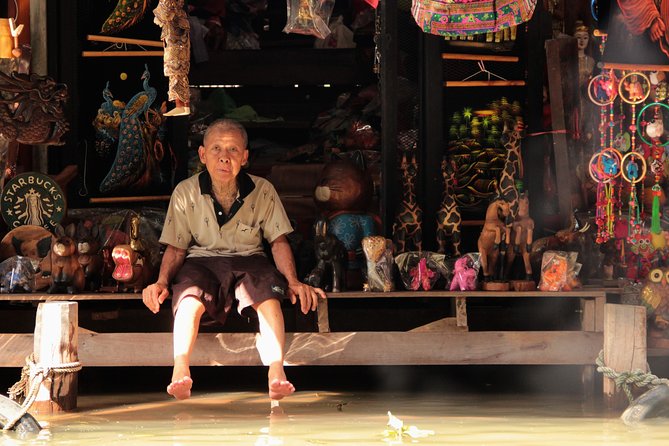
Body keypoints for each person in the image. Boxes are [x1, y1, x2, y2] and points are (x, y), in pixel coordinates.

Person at [142, 118, 326, 401]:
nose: (224, 157)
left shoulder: (262, 189)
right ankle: (180, 368)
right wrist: (161, 282)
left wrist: (292, 281)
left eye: (233, 150)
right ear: (203, 155)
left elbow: (277, 242)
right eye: (216, 149)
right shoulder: (186, 192)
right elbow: (177, 248)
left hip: (250, 259)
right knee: (190, 298)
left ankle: (276, 370)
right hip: (201, 261)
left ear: (245, 157)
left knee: (267, 295)